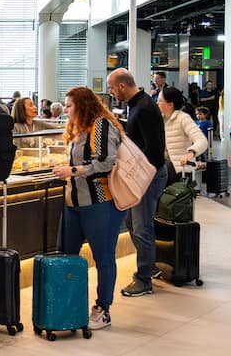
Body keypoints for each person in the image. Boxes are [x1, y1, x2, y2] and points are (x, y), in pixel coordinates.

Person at [52, 86, 127, 330]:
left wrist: (72, 171)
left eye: (69, 105)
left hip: (99, 202)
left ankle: (103, 308)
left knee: (103, 257)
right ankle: (69, 303)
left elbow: (107, 162)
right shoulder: (78, 128)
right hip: (73, 202)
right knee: (66, 254)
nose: (65, 109)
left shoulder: (101, 125)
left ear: (82, 105)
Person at [106, 68, 167, 297]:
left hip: (149, 177)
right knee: (134, 224)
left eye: (112, 88)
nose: (111, 92)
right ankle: (149, 266)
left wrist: (135, 173)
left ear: (122, 86)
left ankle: (143, 279)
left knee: (141, 228)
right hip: (146, 175)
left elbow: (153, 149)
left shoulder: (143, 108)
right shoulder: (138, 105)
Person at [158, 87, 207, 174]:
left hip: (181, 169)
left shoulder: (183, 118)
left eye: (160, 101)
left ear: (170, 104)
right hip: (166, 167)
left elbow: (202, 141)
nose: (157, 103)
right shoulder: (160, 119)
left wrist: (191, 153)